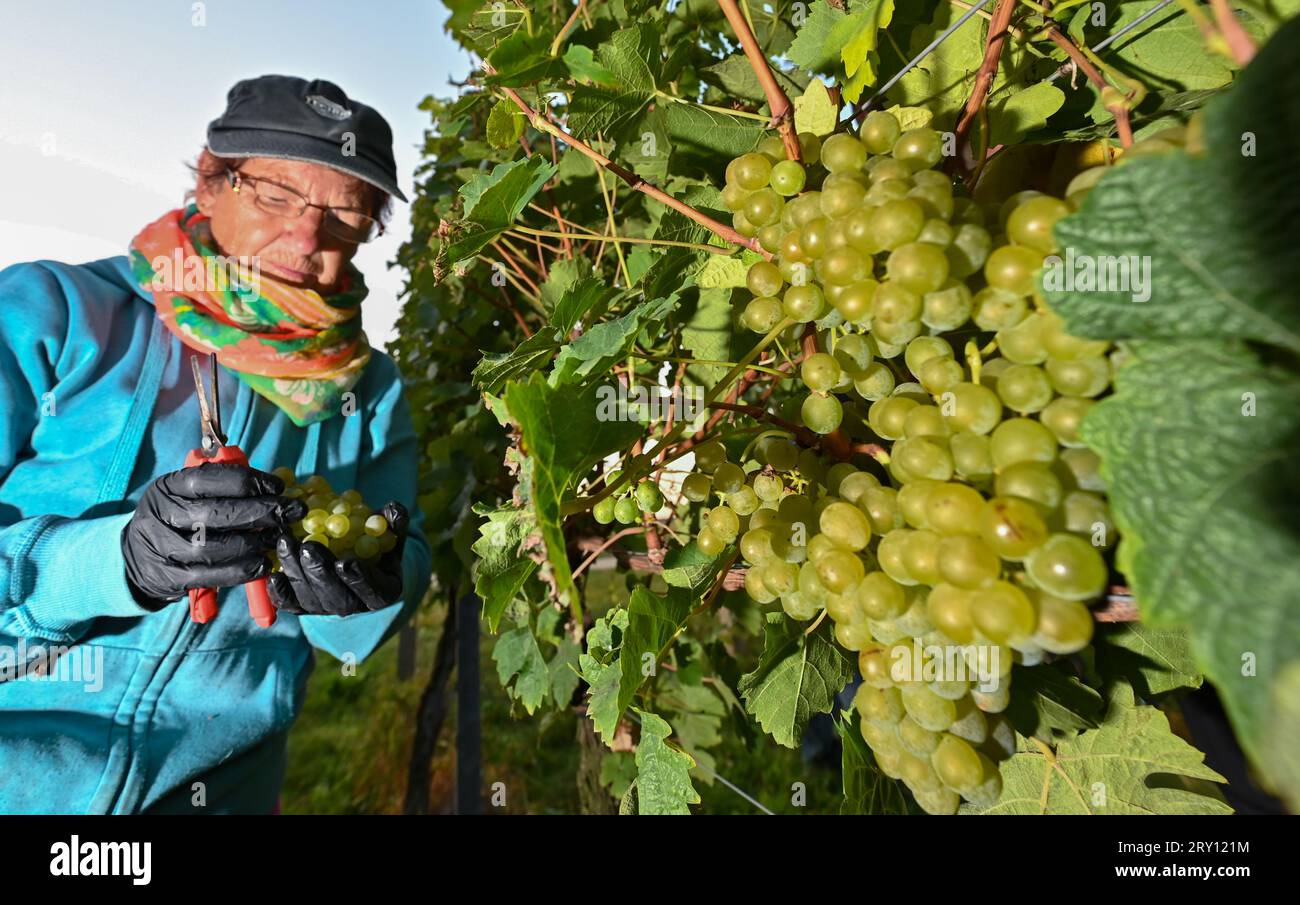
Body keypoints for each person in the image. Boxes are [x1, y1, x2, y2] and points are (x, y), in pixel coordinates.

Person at [0, 75, 432, 814]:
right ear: (210, 179)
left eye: (345, 216)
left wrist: (373, 586)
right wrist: (111, 562)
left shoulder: (372, 390)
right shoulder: (53, 313)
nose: (306, 237)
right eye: (275, 196)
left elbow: (383, 595)